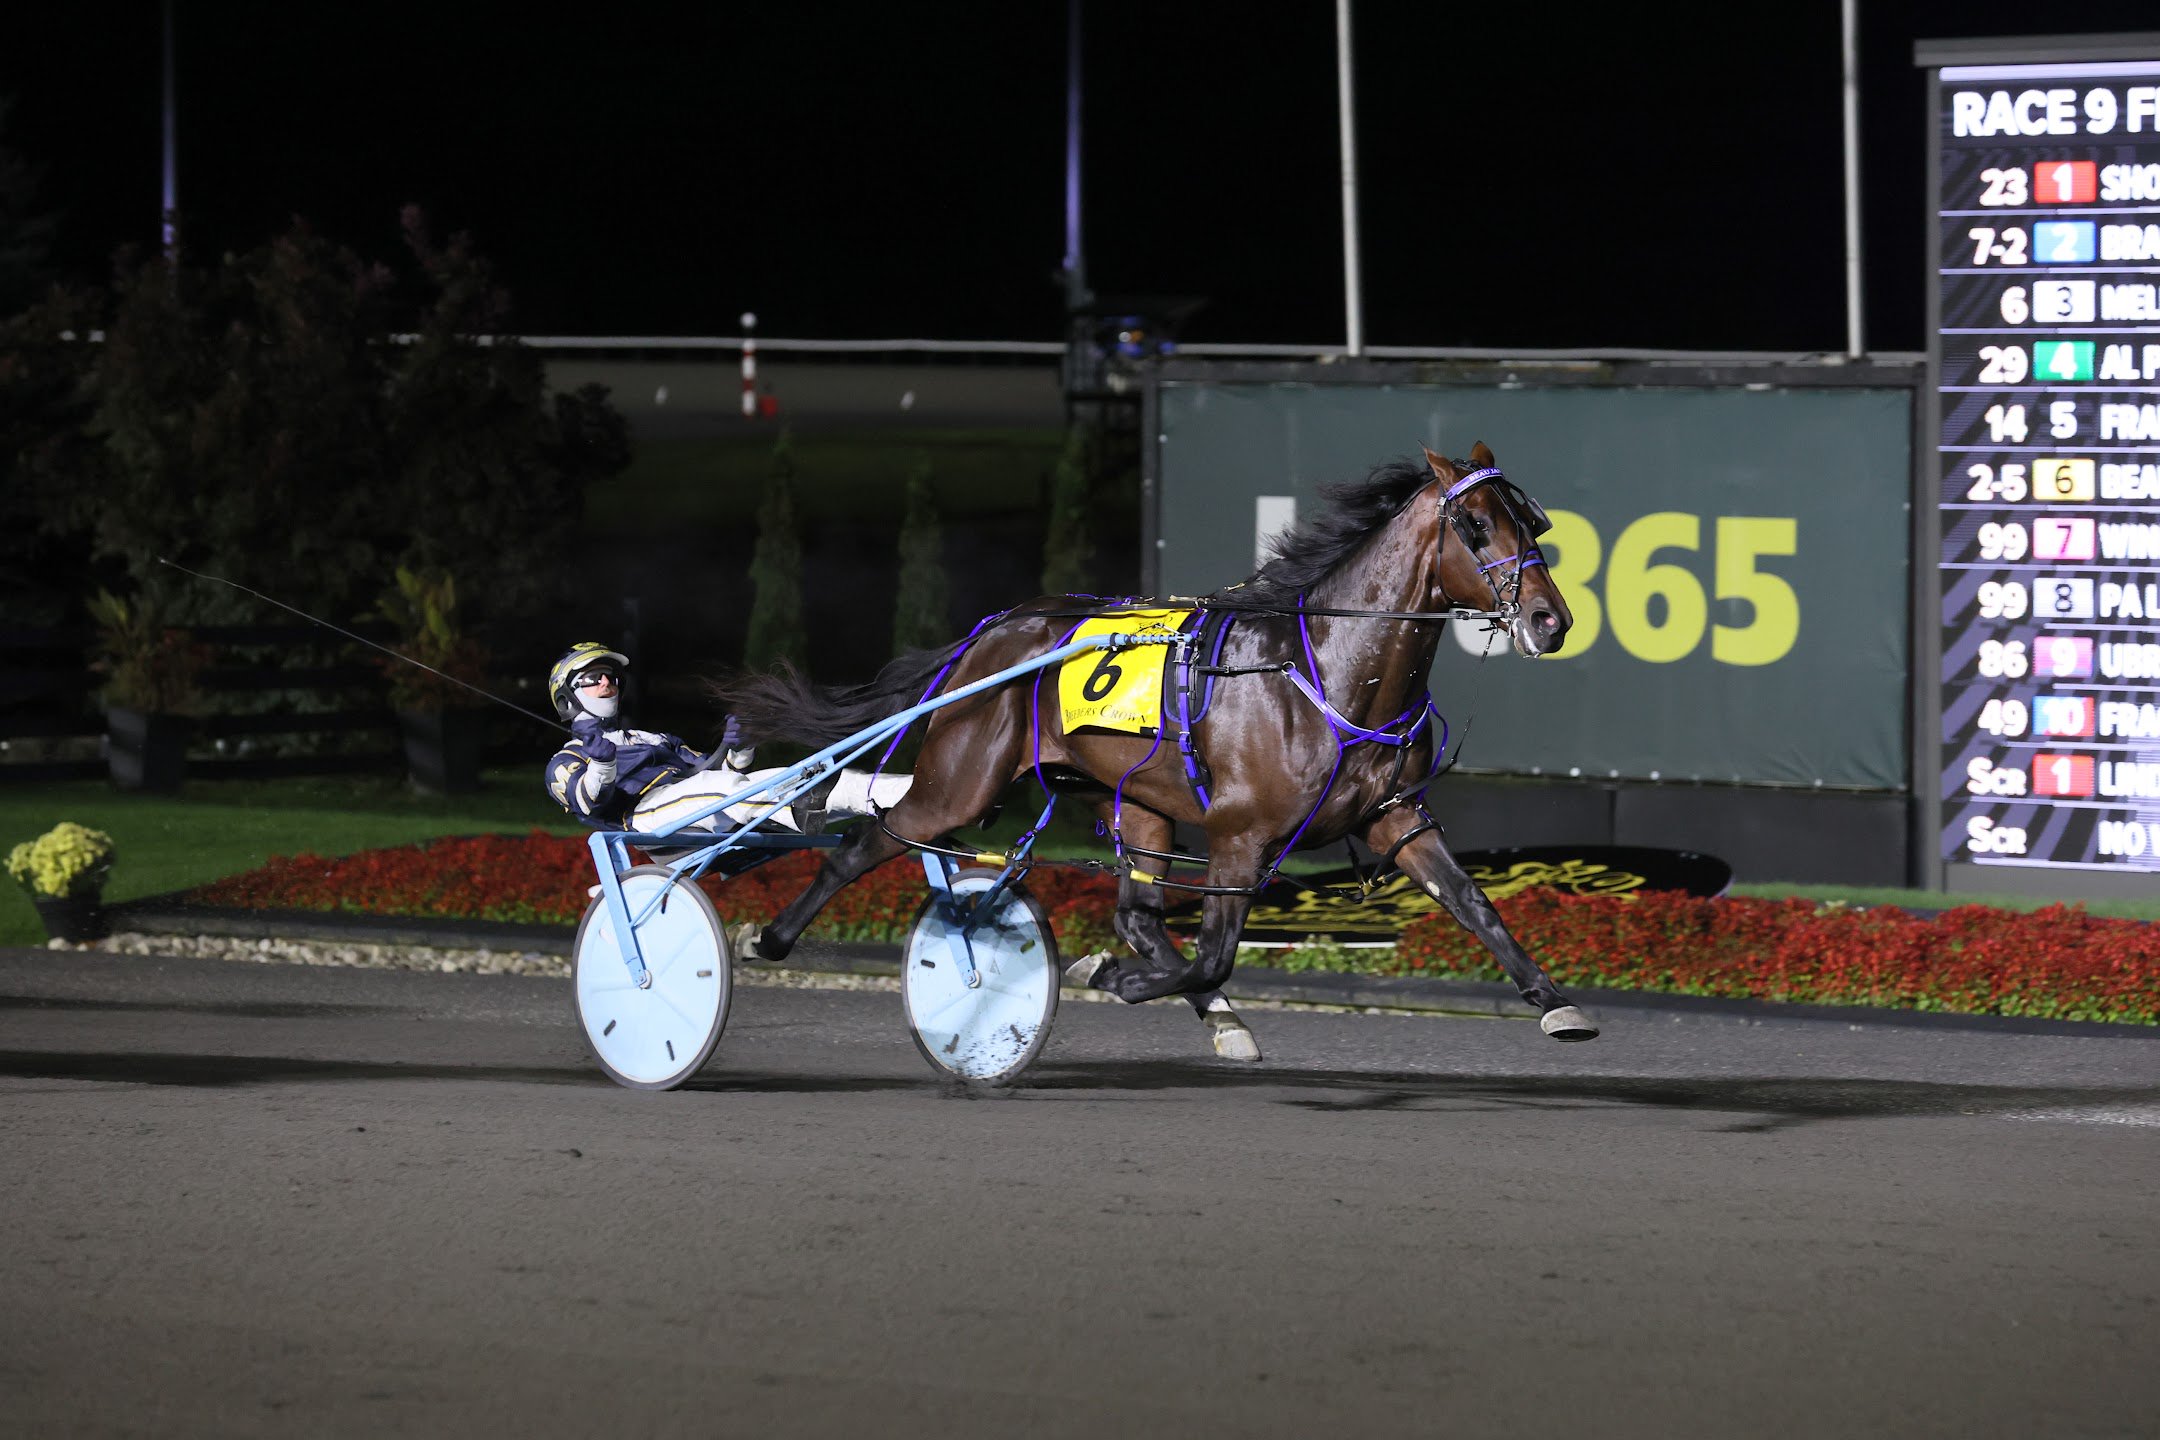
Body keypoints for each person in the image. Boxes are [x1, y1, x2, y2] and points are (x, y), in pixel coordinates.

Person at [542, 642, 909, 834]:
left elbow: (712, 768)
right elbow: (586, 802)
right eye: (591, 678)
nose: (605, 682)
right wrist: (602, 763)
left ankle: (913, 794)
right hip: (644, 815)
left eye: (608, 675)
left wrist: (741, 746)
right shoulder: (565, 760)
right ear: (567, 697)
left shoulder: (651, 738)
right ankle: (792, 812)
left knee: (806, 774)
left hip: (702, 801)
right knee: (723, 789)